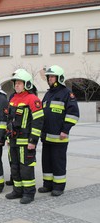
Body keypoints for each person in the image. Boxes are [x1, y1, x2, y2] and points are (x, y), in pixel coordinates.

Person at [38, 65, 80, 197]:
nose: (49, 79)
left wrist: (65, 130)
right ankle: (48, 184)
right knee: (47, 162)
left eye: (52, 76)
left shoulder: (67, 93)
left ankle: (59, 186)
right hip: (46, 137)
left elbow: (73, 114)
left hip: (59, 137)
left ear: (59, 78)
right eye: (49, 76)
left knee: (58, 162)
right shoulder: (48, 93)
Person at [5, 69, 44, 204]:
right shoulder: (13, 98)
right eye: (16, 83)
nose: (16, 85)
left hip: (26, 141)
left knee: (26, 167)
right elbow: (9, 120)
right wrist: (7, 137)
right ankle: (17, 190)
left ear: (27, 84)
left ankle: (29, 193)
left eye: (20, 83)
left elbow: (38, 122)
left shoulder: (33, 99)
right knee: (14, 166)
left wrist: (33, 141)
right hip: (13, 140)